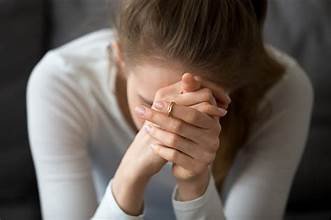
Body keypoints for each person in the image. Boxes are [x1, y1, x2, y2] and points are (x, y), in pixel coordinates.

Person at [26, 0, 314, 219]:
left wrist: (195, 182)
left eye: (202, 107)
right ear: (120, 58)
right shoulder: (61, 81)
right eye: (152, 105)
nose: (172, 128)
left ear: (234, 89)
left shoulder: (283, 90)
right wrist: (128, 180)